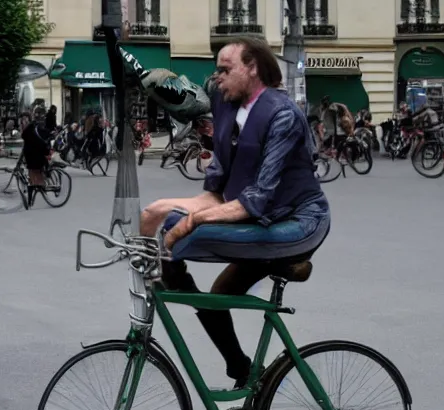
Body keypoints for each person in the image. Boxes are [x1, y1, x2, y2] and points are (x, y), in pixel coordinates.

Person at [140, 36, 330, 391]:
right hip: (259, 219)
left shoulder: (283, 114)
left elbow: (255, 199)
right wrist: (159, 212)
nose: (217, 78)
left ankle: (284, 260)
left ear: (253, 68)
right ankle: (246, 376)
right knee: (211, 296)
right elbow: (215, 193)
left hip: (298, 222)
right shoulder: (228, 108)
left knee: (190, 232)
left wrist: (187, 224)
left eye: (225, 70)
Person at [21, 106, 51, 199]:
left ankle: (38, 187)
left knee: (34, 172)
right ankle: (37, 187)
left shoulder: (33, 127)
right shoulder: (34, 126)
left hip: (34, 154)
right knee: (34, 171)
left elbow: (37, 140)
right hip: (35, 153)